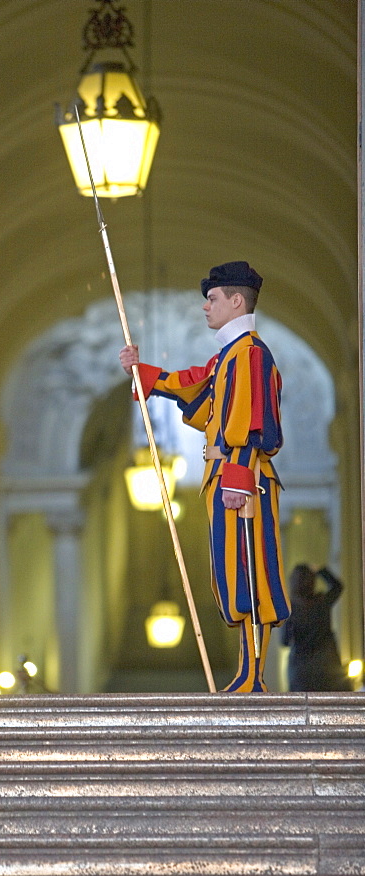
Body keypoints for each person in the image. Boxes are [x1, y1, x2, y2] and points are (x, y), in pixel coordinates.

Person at [119, 261, 290, 693]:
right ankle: (246, 672)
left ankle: (254, 676)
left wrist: (235, 479)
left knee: (251, 576)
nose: (204, 307)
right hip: (227, 478)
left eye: (212, 299)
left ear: (236, 301)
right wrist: (143, 374)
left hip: (242, 478)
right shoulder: (227, 358)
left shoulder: (250, 353)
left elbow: (255, 424)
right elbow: (193, 385)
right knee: (233, 578)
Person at [281, 564, 347, 691]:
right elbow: (337, 587)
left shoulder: (289, 608)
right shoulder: (322, 601)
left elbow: (284, 642)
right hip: (327, 664)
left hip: (300, 669)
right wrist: (320, 570)